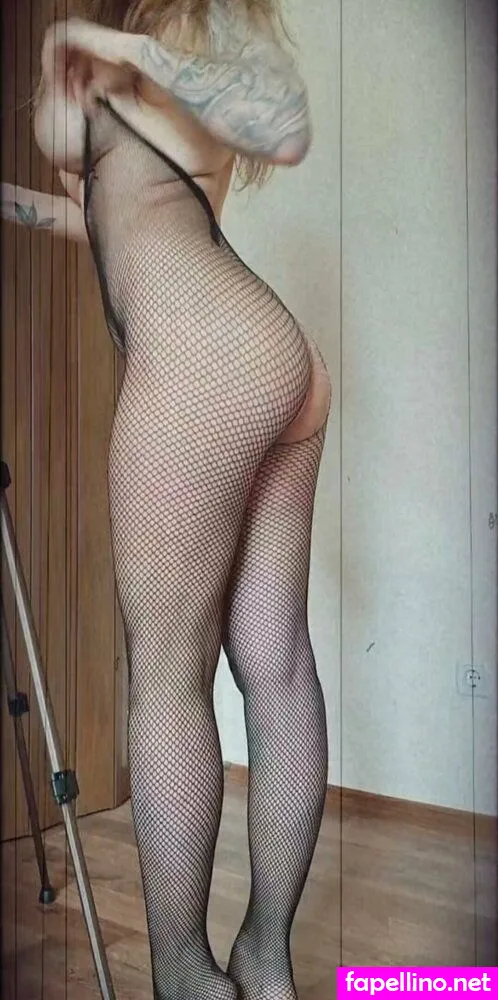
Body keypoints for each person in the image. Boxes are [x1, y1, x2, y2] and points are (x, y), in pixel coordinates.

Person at [3, 3, 331, 998]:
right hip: (273, 352)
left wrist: (95, 48)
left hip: (204, 357)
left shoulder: (146, 57)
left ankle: (187, 977)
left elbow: (286, 129)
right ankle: (265, 960)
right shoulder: (174, 90)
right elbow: (106, 219)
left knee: (167, 675)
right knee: (275, 663)